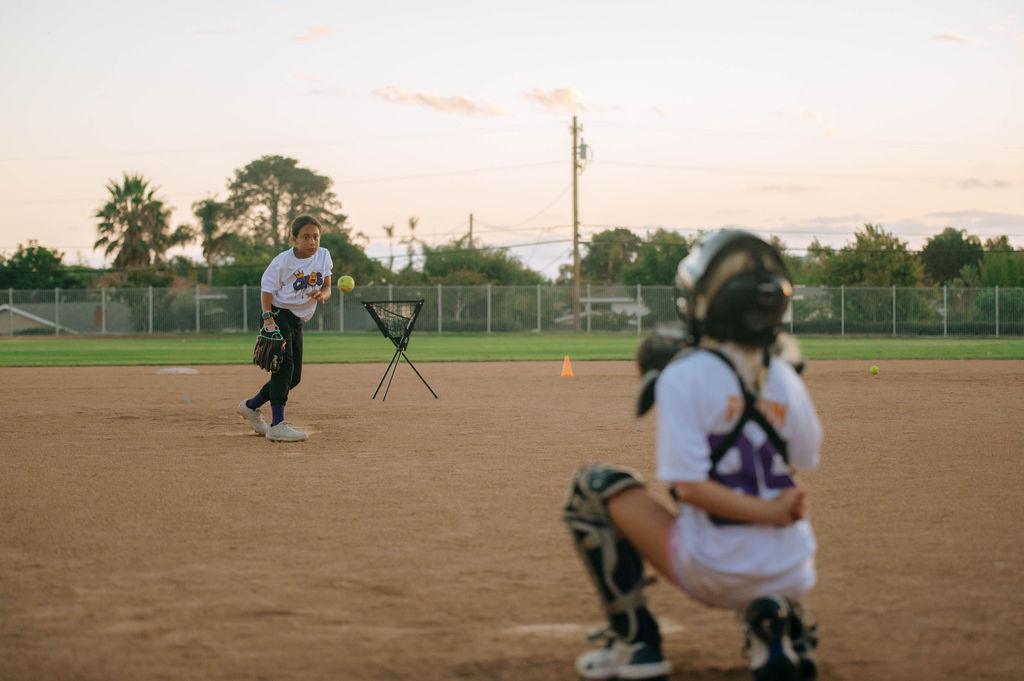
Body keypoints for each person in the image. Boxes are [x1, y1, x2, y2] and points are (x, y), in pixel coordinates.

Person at [563, 229, 822, 681]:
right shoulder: (784, 376)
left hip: (714, 569)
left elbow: (689, 489)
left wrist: (764, 511)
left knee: (593, 486)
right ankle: (777, 624)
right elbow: (803, 457)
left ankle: (636, 643)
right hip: (793, 569)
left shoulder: (684, 376)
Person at [237, 215, 333, 442]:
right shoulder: (283, 261)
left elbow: (328, 287)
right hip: (278, 314)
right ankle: (277, 424)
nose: (312, 242)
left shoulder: (323, 255)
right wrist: (267, 318)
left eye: (316, 237)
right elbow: (266, 290)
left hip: (296, 318)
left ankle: (250, 406)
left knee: (295, 377)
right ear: (294, 239)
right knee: (284, 365)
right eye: (306, 237)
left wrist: (322, 294)